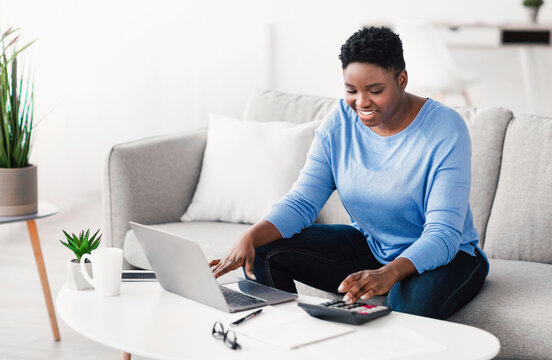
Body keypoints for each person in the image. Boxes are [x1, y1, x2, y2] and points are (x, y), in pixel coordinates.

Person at [209, 26, 489, 320]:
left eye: (376, 91)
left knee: (408, 305)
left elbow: (443, 234)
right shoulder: (339, 123)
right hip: (373, 247)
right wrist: (251, 236)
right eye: (351, 90)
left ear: (402, 80)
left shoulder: (445, 128)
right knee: (263, 248)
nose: (362, 103)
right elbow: (302, 202)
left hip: (448, 257)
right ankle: (287, 335)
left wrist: (389, 273)